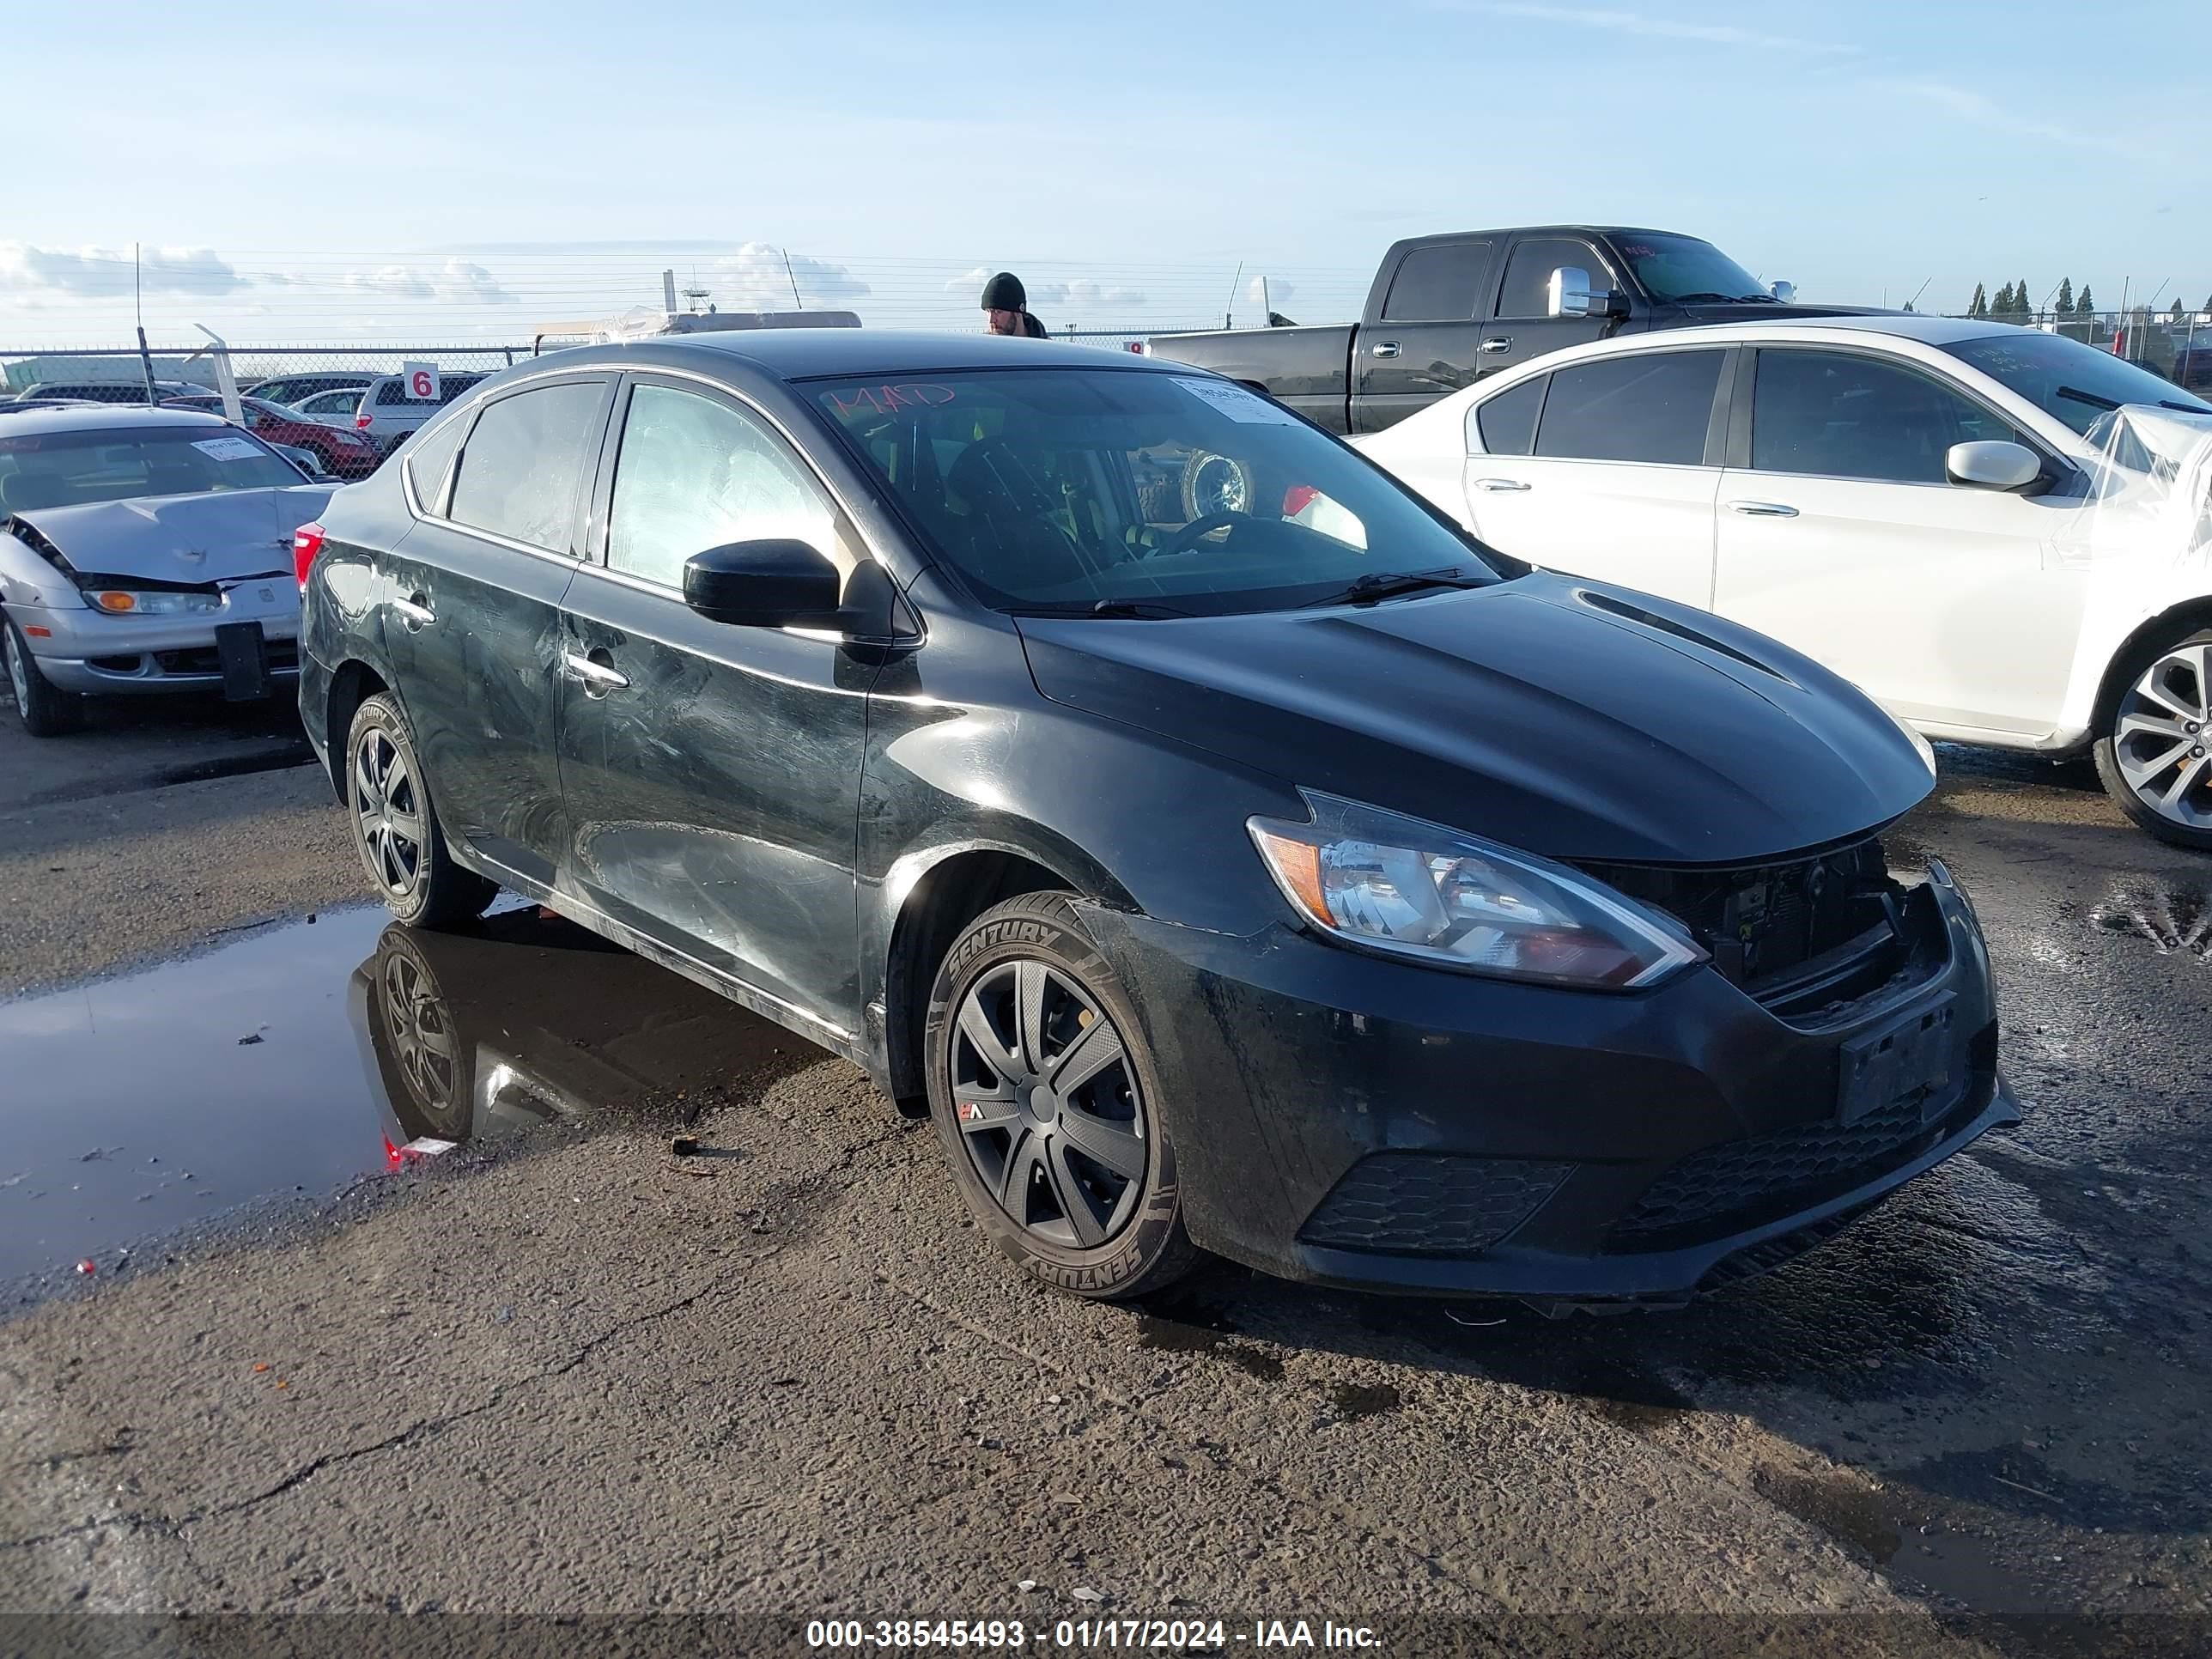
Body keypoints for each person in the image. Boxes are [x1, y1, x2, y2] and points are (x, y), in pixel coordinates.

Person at [981, 272, 1048, 339]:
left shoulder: (1045, 348)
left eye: (998, 312)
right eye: (988, 311)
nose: (991, 320)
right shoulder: (982, 348)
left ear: (1017, 313)